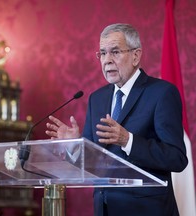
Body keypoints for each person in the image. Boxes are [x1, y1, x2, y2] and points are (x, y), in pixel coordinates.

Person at [45, 23, 188, 216]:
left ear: (136, 55)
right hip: (105, 208)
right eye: (102, 53)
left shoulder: (161, 93)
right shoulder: (97, 98)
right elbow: (93, 162)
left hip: (146, 210)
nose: (107, 60)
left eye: (115, 52)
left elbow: (176, 158)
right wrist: (75, 146)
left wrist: (128, 140)